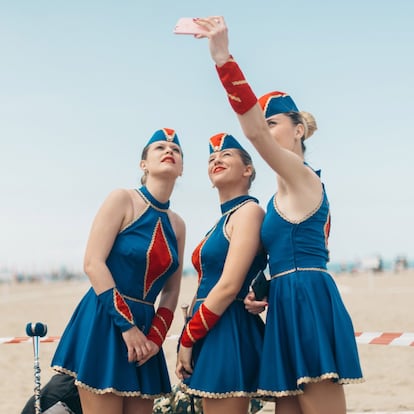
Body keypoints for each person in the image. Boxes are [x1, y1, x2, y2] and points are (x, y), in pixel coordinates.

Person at [188, 17, 364, 414]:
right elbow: (299, 247)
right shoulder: (279, 194)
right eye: (265, 123)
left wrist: (222, 58)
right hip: (284, 304)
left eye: (274, 123)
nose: (266, 131)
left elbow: (254, 136)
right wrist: (264, 288)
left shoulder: (303, 179)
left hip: (308, 302)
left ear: (299, 130)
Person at [51, 128, 186, 414]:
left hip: (148, 332)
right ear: (144, 164)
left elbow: (172, 290)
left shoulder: (178, 224)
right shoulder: (123, 199)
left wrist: (154, 338)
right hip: (106, 320)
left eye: (176, 150)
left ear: (182, 168)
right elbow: (92, 263)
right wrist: (127, 327)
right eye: (159, 147)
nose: (169, 151)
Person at [175, 133, 267, 414]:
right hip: (209, 328)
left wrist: (187, 339)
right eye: (212, 158)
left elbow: (228, 286)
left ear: (247, 170)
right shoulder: (223, 220)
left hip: (229, 329)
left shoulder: (249, 212)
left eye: (226, 155)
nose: (217, 159)